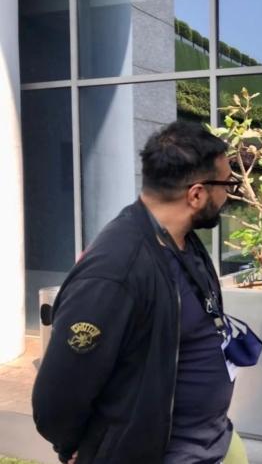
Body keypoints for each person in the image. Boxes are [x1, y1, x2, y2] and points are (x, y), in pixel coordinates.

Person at [32, 121, 248, 464]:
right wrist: (85, 446)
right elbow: (56, 398)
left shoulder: (184, 241)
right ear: (196, 194)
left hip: (214, 440)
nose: (229, 195)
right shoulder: (117, 270)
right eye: (227, 184)